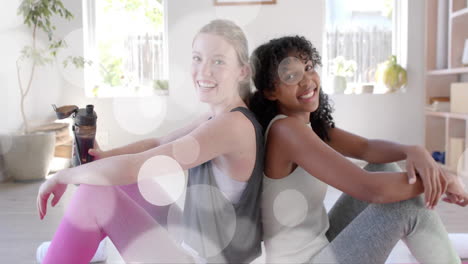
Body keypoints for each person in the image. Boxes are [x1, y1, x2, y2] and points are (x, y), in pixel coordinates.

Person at [37, 19, 264, 264]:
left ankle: (66, 250)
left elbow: (140, 165)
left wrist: (63, 176)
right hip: (199, 241)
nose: (204, 71)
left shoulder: (231, 126)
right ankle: (83, 241)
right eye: (197, 58)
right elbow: (159, 142)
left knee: (94, 194)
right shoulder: (217, 115)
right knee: (120, 182)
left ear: (243, 70)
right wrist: (105, 156)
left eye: (218, 61)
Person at [249, 35, 468, 264]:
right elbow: (369, 189)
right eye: (291, 76)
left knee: (382, 167)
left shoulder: (305, 126)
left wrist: (412, 150)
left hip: (322, 243)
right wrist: (443, 179)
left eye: (308, 68)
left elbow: (366, 148)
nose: (307, 81)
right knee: (406, 206)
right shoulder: (286, 131)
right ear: (270, 92)